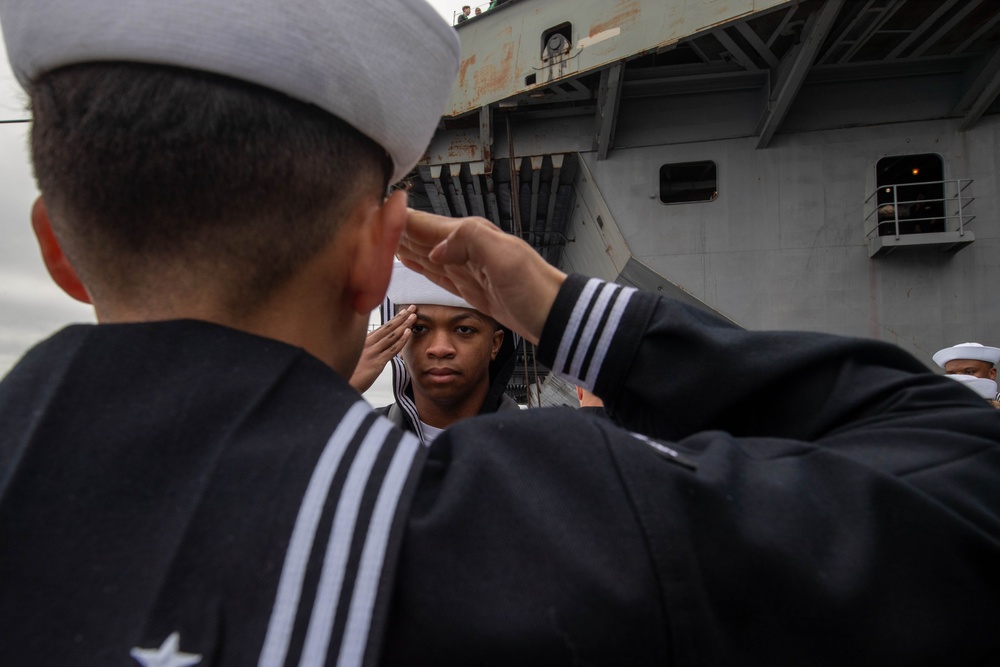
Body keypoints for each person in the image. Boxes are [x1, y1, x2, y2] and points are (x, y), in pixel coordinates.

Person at [0, 3, 998, 667]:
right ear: (375, 252)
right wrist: (568, 310)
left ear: (59, 247)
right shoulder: (565, 526)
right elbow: (962, 464)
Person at [353, 262, 519, 444]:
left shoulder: (542, 450)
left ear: (495, 344)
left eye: (464, 330)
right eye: (418, 329)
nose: (440, 349)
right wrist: (334, 388)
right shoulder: (355, 441)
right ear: (399, 343)